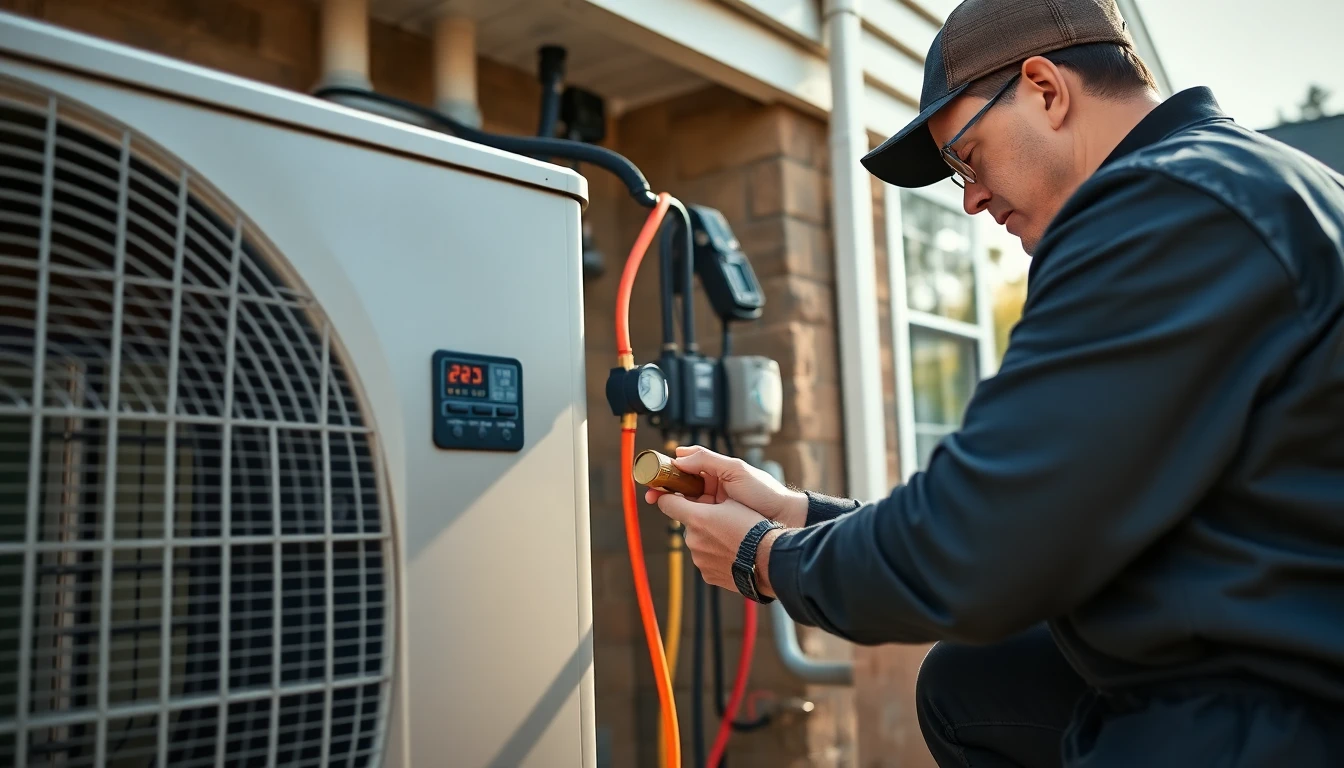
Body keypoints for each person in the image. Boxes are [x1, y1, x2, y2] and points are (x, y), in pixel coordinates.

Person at [645, 0, 1344, 765]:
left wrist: (767, 558)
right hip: (1263, 638)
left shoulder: (1163, 209)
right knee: (975, 682)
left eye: (969, 159)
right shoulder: (1242, 186)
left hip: (1276, 711)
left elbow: (979, 550)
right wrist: (801, 516)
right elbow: (1039, 510)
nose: (972, 199)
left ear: (1045, 88)